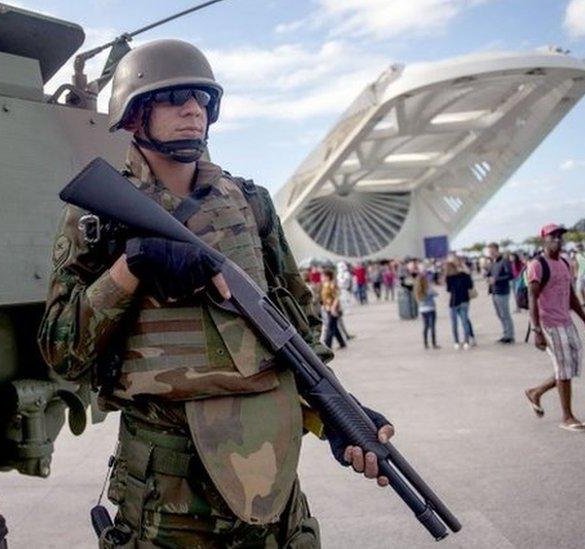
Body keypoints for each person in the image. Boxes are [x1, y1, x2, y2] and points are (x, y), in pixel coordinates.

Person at [38, 39, 394, 548]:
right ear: (134, 115)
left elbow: (290, 327)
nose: (193, 108)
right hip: (167, 485)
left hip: (268, 471)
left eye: (203, 98)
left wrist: (335, 415)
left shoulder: (250, 203)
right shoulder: (97, 217)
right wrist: (132, 267)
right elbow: (60, 349)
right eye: (175, 96)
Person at [523, 224, 585, 432]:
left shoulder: (564, 263)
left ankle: (536, 392)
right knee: (564, 369)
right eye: (552, 236)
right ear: (544, 239)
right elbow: (532, 297)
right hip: (549, 325)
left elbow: (572, 296)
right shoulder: (538, 265)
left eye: (560, 236)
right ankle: (567, 416)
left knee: (571, 367)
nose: (557, 239)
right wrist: (537, 330)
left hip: (566, 322)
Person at [485, 243, 515, 343]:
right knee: (499, 314)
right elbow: (490, 274)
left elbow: (510, 275)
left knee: (505, 314)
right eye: (489, 252)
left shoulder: (504, 261)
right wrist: (488, 277)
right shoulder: (492, 262)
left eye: (492, 252)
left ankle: (510, 336)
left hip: (503, 292)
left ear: (497, 250)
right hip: (494, 292)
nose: (490, 254)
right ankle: (505, 333)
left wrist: (496, 280)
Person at [444, 258, 476, 349]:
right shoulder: (464, 275)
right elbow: (470, 285)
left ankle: (456, 342)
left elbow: (448, 290)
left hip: (454, 302)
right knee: (465, 321)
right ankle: (466, 341)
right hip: (464, 300)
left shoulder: (449, 277)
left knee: (454, 323)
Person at [321, 269, 347, 350]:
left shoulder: (332, 284)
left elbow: (336, 297)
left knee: (330, 327)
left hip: (333, 308)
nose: (322, 277)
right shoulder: (325, 284)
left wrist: (333, 308)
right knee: (334, 327)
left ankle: (327, 345)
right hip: (328, 308)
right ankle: (342, 343)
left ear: (328, 277)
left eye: (323, 276)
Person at [414, 273, 440, 349]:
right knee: (432, 326)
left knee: (425, 326)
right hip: (431, 308)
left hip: (422, 309)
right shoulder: (428, 289)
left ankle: (425, 344)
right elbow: (436, 294)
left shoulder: (417, 290)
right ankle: (434, 344)